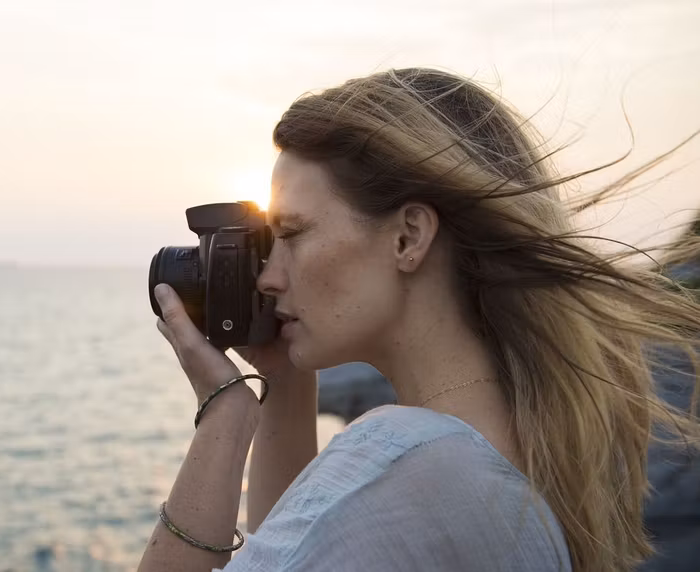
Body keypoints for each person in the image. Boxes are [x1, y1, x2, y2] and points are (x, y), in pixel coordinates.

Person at [137, 68, 700, 572]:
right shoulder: (508, 451)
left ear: (408, 237)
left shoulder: (406, 458)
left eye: (292, 233)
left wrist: (224, 417)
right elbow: (283, 552)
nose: (267, 276)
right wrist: (283, 381)